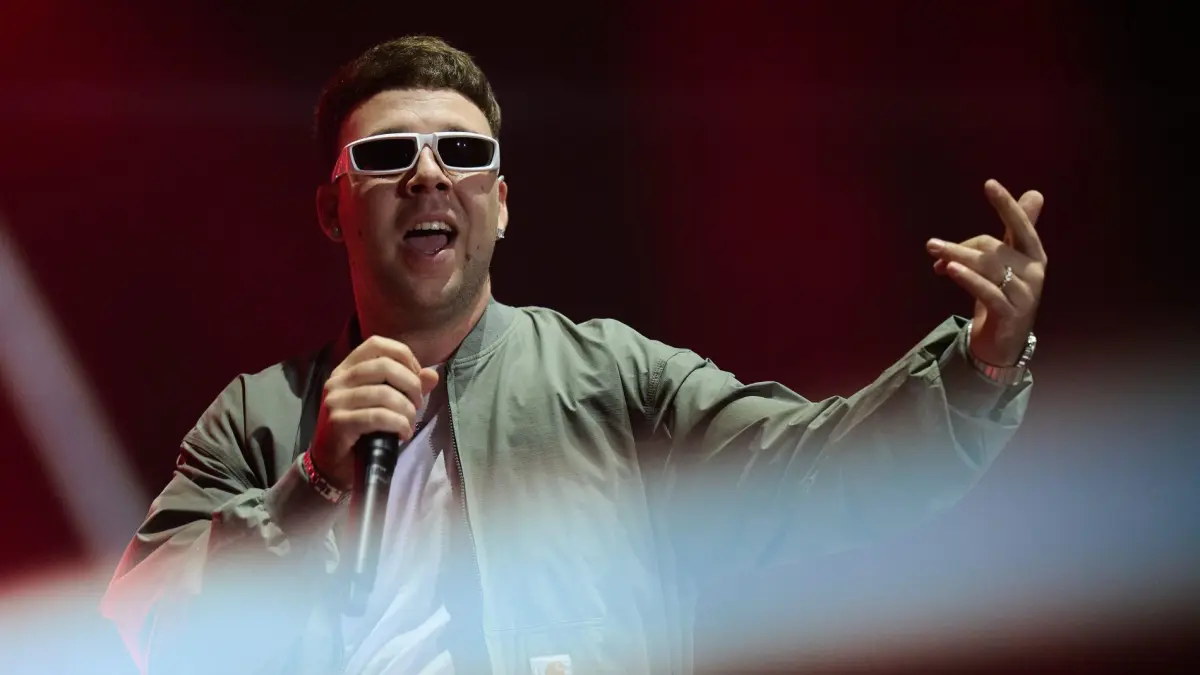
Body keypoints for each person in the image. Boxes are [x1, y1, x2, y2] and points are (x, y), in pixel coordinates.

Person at [100, 35, 1047, 675]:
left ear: (502, 204)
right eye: (388, 155)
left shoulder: (614, 380)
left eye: (462, 151)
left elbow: (823, 470)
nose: (428, 174)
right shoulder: (259, 419)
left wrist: (982, 360)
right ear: (330, 209)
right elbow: (151, 630)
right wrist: (309, 485)